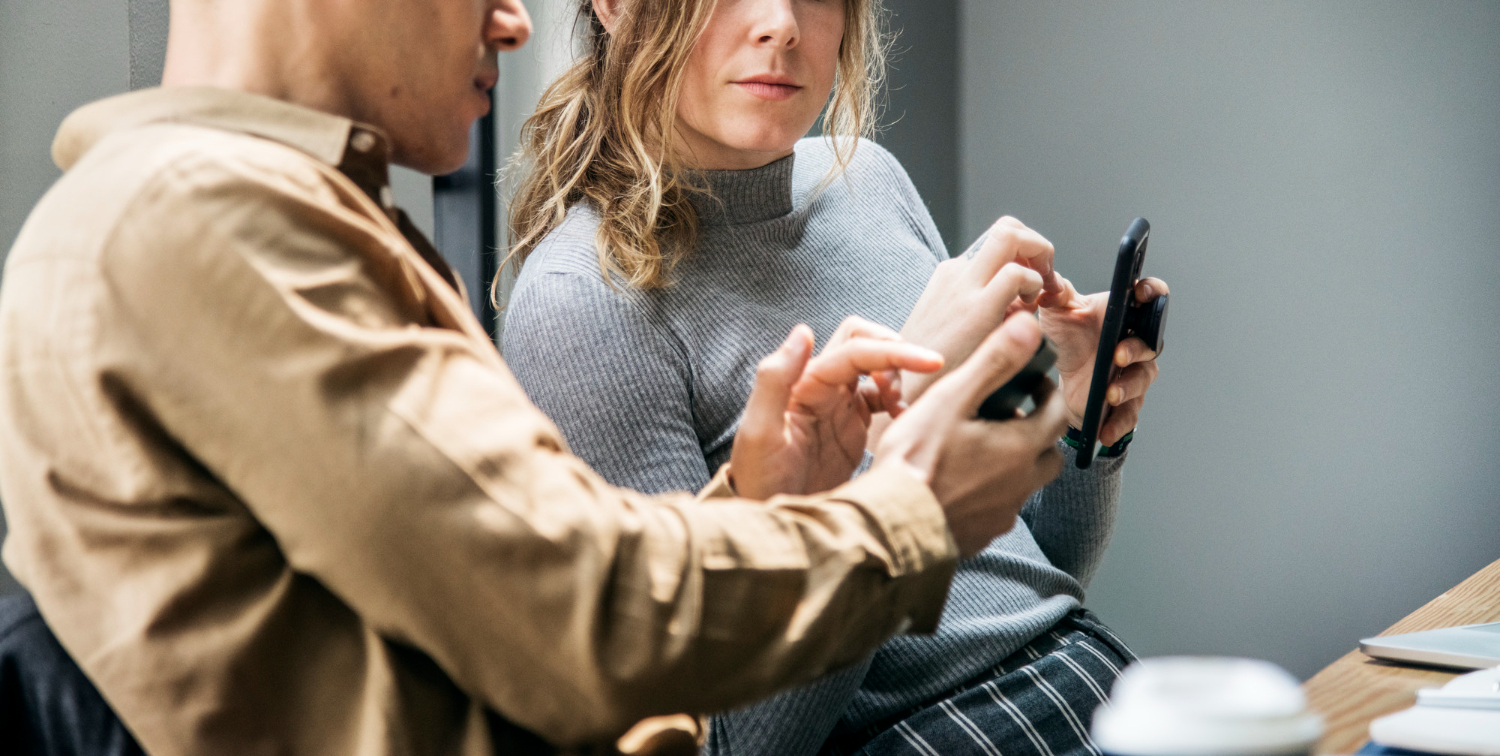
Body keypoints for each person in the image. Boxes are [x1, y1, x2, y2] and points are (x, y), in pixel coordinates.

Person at [0, 0, 1078, 754]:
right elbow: (581, 614)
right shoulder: (201, 220)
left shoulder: (259, 214)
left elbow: (507, 590)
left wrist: (756, 501)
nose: (516, 21)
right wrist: (905, 509)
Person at [500, 0, 1169, 754]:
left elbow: (1027, 582)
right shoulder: (580, 301)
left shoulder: (870, 179)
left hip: (1097, 677)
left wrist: (1079, 428)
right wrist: (899, 413)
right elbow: (722, 742)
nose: (781, 24)